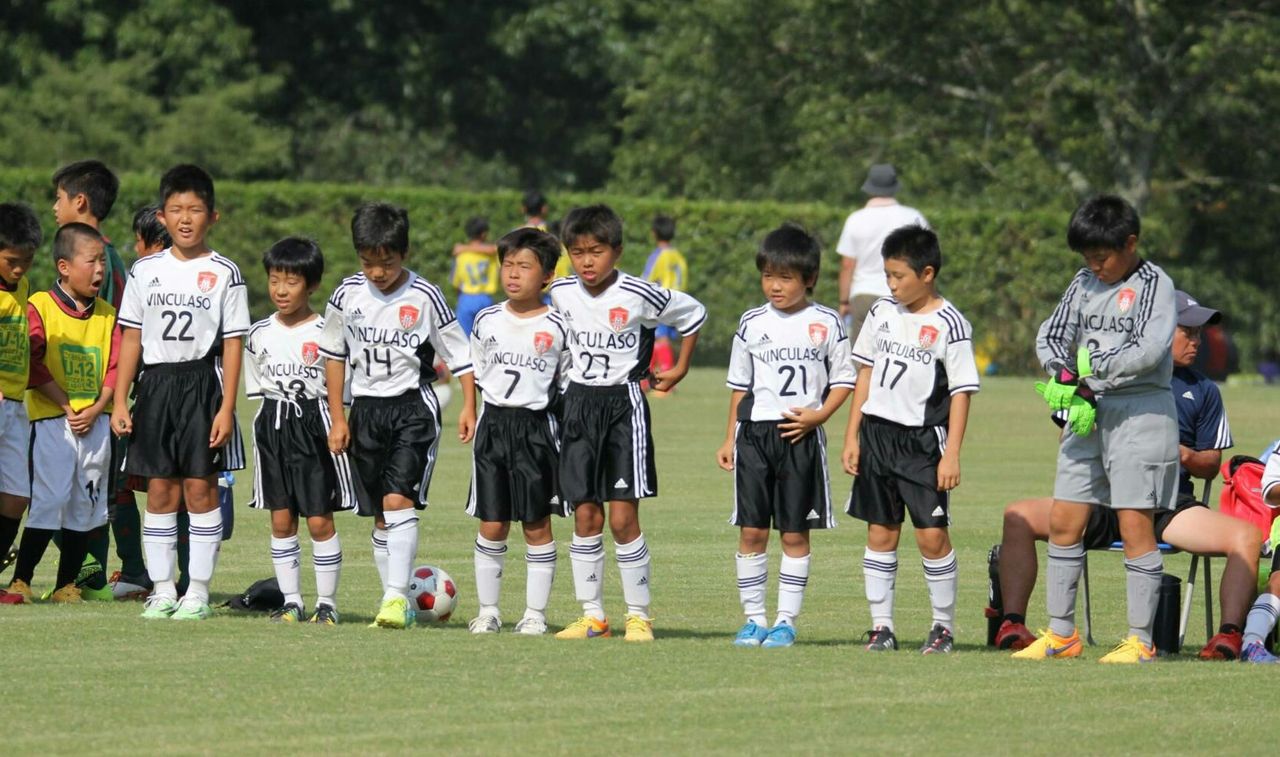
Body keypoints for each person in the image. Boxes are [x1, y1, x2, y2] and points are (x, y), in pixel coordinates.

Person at [993, 291, 1256, 660]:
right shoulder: (1101, 375)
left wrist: (1180, 453)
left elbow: (1212, 463)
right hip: (1099, 502)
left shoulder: (1203, 390)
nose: (1196, 341)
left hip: (1165, 505)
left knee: (1246, 536)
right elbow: (1068, 438)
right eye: (1188, 331)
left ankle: (1229, 636)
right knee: (1017, 516)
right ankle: (1014, 625)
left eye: (1198, 333)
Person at [1014, 195, 1178, 663]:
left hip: (1139, 412)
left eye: (1102, 257)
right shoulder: (1083, 281)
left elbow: (1148, 349)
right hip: (1086, 409)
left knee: (1134, 523)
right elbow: (1052, 334)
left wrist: (1088, 368)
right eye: (1087, 257)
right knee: (1064, 519)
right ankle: (1062, 635)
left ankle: (1141, 641)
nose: (1094, 266)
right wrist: (1060, 372)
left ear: (1130, 243)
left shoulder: (1155, 285)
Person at [548, 204, 706, 642]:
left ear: (616, 251)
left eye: (596, 251)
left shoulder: (639, 293)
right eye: (577, 252)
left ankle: (639, 615)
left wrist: (681, 367)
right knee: (584, 515)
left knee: (621, 518)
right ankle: (593, 616)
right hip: (577, 407)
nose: (586, 262)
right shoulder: (560, 292)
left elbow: (694, 314)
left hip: (623, 407)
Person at [318, 201, 477, 630]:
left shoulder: (425, 296)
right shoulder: (346, 294)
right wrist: (338, 416)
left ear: (403, 254)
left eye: (386, 263)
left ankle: (393, 599)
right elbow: (333, 355)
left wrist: (469, 405)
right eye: (367, 262)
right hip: (365, 409)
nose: (377, 272)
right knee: (379, 513)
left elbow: (459, 353)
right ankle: (397, 597)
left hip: (412, 408)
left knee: (397, 500)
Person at [111, 164, 251, 621]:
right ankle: (162, 589)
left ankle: (198, 591)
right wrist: (120, 399)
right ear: (162, 216)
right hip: (155, 386)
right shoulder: (144, 270)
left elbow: (234, 343)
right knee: (159, 491)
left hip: (202, 384)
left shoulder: (225, 272)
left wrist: (227, 408)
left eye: (195, 210)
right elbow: (131, 337)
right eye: (176, 209)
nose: (185, 218)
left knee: (200, 490)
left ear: (213, 216)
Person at [842, 226, 979, 655]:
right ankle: (881, 627)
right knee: (880, 532)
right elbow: (865, 373)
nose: (891, 284)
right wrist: (852, 436)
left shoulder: (950, 324)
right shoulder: (881, 311)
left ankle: (943, 628)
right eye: (887, 275)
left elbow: (962, 393)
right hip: (877, 436)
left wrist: (951, 454)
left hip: (922, 443)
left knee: (931, 537)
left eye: (899, 276)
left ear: (927, 273)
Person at [716, 224, 854, 648]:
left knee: (794, 533)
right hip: (754, 436)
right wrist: (729, 438)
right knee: (752, 531)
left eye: (785, 277)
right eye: (767, 276)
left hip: (800, 438)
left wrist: (819, 416)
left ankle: (785, 622)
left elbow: (844, 379)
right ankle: (754, 619)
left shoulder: (826, 322)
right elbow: (740, 385)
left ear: (809, 278)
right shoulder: (752, 321)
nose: (774, 286)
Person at [463, 227, 569, 635]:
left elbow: (567, 380)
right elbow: (474, 370)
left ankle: (534, 614)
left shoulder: (559, 324)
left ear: (547, 276)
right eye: (507, 264)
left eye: (524, 266)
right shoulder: (487, 319)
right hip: (493, 427)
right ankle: (488, 611)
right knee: (492, 522)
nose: (513, 273)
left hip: (537, 430)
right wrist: (470, 410)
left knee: (536, 524)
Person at [245, 237, 355, 625]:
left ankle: (327, 603)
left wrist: (338, 421)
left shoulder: (328, 332)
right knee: (281, 520)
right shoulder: (258, 333)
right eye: (274, 280)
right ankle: (292, 601)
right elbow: (257, 387)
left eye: (291, 282)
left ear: (312, 285)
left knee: (319, 519)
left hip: (314, 423)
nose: (281, 290)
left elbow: (341, 387)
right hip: (273, 424)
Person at [8, 224, 119, 602]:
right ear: (64, 266)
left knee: (85, 505)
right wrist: (67, 405)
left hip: (96, 425)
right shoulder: (40, 305)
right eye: (91, 262)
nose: (100, 270)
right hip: (53, 423)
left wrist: (99, 407)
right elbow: (33, 362)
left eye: (102, 262)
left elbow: (116, 366)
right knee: (49, 499)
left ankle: (66, 584)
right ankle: (22, 580)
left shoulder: (108, 315)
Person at [50, 160, 125, 597]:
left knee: (93, 492)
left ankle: (91, 573)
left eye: (58, 198)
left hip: (93, 406)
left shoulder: (104, 263)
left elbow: (112, 337)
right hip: (75, 404)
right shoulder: (87, 259)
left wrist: (105, 402)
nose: (54, 207)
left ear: (79, 201)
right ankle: (90, 571)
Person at [108, 205, 174, 599]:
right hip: (149, 395)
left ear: (156, 242)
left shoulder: (147, 275)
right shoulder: (140, 274)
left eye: (139, 240)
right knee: (130, 484)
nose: (135, 248)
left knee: (155, 486)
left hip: (164, 397)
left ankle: (154, 575)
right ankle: (144, 573)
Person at [0, 204, 41, 603]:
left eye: (25, 261)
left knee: (16, 496)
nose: (18, 269)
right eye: (11, 261)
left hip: (15, 404)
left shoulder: (23, 286)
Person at [835, 164, 928, 340]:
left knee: (862, 352)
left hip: (864, 293)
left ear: (869, 188)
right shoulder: (913, 217)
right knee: (900, 348)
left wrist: (844, 301)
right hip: (904, 294)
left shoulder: (856, 219)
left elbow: (847, 265)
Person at [642, 215, 689, 391]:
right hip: (678, 301)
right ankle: (648, 379)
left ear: (654, 233)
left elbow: (647, 279)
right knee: (663, 339)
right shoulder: (678, 256)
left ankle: (666, 379)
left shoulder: (659, 255)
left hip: (661, 302)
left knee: (657, 338)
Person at [450, 216, 499, 337]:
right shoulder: (491, 255)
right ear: (484, 234)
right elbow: (497, 249)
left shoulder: (461, 255)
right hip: (485, 299)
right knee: (486, 338)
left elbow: (456, 283)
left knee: (464, 339)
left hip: (466, 299)